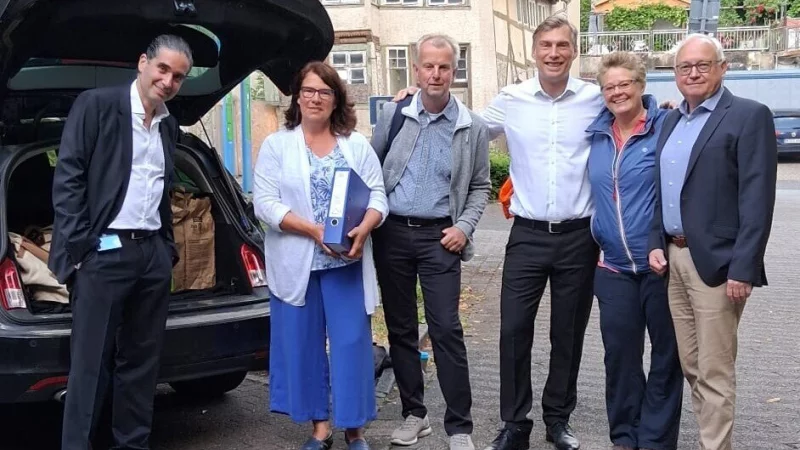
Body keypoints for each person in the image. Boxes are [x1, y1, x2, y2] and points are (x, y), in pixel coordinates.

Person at [392, 16, 603, 450]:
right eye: (546, 44)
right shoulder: (512, 99)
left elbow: (635, 111)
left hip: (579, 235)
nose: (554, 53)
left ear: (574, 50)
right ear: (534, 50)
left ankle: (558, 420)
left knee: (568, 333)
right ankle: (514, 424)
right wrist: (419, 98)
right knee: (512, 332)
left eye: (562, 44)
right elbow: (463, 126)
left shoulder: (595, 99)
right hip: (526, 234)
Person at [49, 35, 191, 449]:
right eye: (163, 69)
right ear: (143, 63)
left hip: (150, 256)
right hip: (102, 254)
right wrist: (81, 250)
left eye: (178, 76)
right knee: (89, 368)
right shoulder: (97, 106)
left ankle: (132, 444)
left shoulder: (169, 125)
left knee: (141, 366)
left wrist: (166, 250)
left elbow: (163, 190)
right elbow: (69, 177)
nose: (168, 81)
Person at [648, 34, 777, 450]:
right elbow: (661, 189)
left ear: (723, 68)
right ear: (675, 74)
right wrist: (656, 241)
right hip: (674, 257)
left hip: (719, 265)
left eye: (704, 65)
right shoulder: (671, 120)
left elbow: (757, 199)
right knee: (692, 364)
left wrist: (744, 267)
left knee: (715, 369)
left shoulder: (748, 115)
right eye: (685, 67)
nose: (694, 73)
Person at [252, 61, 387, 450]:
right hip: (298, 264)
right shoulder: (278, 145)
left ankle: (355, 430)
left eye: (324, 92)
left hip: (346, 261)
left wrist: (367, 226)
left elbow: (378, 195)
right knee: (304, 345)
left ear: (336, 99)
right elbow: (265, 204)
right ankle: (320, 428)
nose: (315, 98)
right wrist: (313, 230)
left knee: (350, 345)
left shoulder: (355, 144)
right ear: (298, 97)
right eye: (308, 91)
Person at [370, 33, 491, 450]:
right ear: (416, 70)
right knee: (401, 329)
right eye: (428, 66)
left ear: (453, 72)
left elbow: (480, 187)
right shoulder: (394, 113)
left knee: (445, 329)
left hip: (442, 238)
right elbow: (374, 168)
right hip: (393, 235)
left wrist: (465, 228)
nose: (435, 73)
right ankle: (414, 415)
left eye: (444, 67)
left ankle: (459, 428)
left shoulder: (471, 126)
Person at [586, 52, 683, 450]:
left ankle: (656, 440)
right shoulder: (596, 133)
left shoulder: (668, 125)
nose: (617, 92)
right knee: (620, 359)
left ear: (642, 86)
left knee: (666, 358)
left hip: (660, 265)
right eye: (609, 87)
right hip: (611, 268)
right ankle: (625, 437)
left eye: (625, 84)